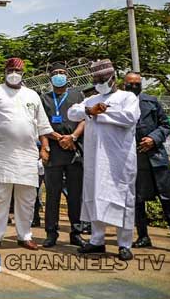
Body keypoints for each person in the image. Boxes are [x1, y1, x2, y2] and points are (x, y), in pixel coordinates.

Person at [0, 57, 54, 251]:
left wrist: (45, 147)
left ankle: (24, 236)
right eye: (10, 70)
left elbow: (43, 125)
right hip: (0, 153)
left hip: (27, 154)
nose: (14, 74)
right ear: (5, 72)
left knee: (27, 198)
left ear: (23, 74)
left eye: (17, 71)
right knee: (0, 197)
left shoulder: (33, 95)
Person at [68, 59, 140, 261]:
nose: (99, 81)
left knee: (123, 198)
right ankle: (97, 240)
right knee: (96, 197)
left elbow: (129, 118)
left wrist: (102, 112)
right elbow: (72, 113)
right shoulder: (91, 99)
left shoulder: (127, 97)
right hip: (95, 161)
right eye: (96, 78)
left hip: (120, 160)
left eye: (102, 78)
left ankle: (124, 244)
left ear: (113, 77)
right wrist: (90, 111)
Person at [125, 72, 170, 253]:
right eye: (130, 84)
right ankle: (143, 236)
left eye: (137, 83)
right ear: (124, 85)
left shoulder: (151, 101)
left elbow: (165, 125)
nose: (134, 87)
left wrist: (152, 138)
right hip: (135, 160)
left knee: (168, 199)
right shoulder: (119, 104)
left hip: (157, 158)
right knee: (138, 201)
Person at [40, 63, 86, 248]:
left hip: (74, 150)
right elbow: (40, 124)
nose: (59, 76)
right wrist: (53, 140)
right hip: (53, 151)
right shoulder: (43, 98)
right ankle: (51, 233)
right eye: (55, 73)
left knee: (76, 194)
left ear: (68, 76)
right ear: (49, 77)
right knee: (52, 194)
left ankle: (76, 232)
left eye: (62, 73)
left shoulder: (78, 95)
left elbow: (85, 119)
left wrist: (72, 137)